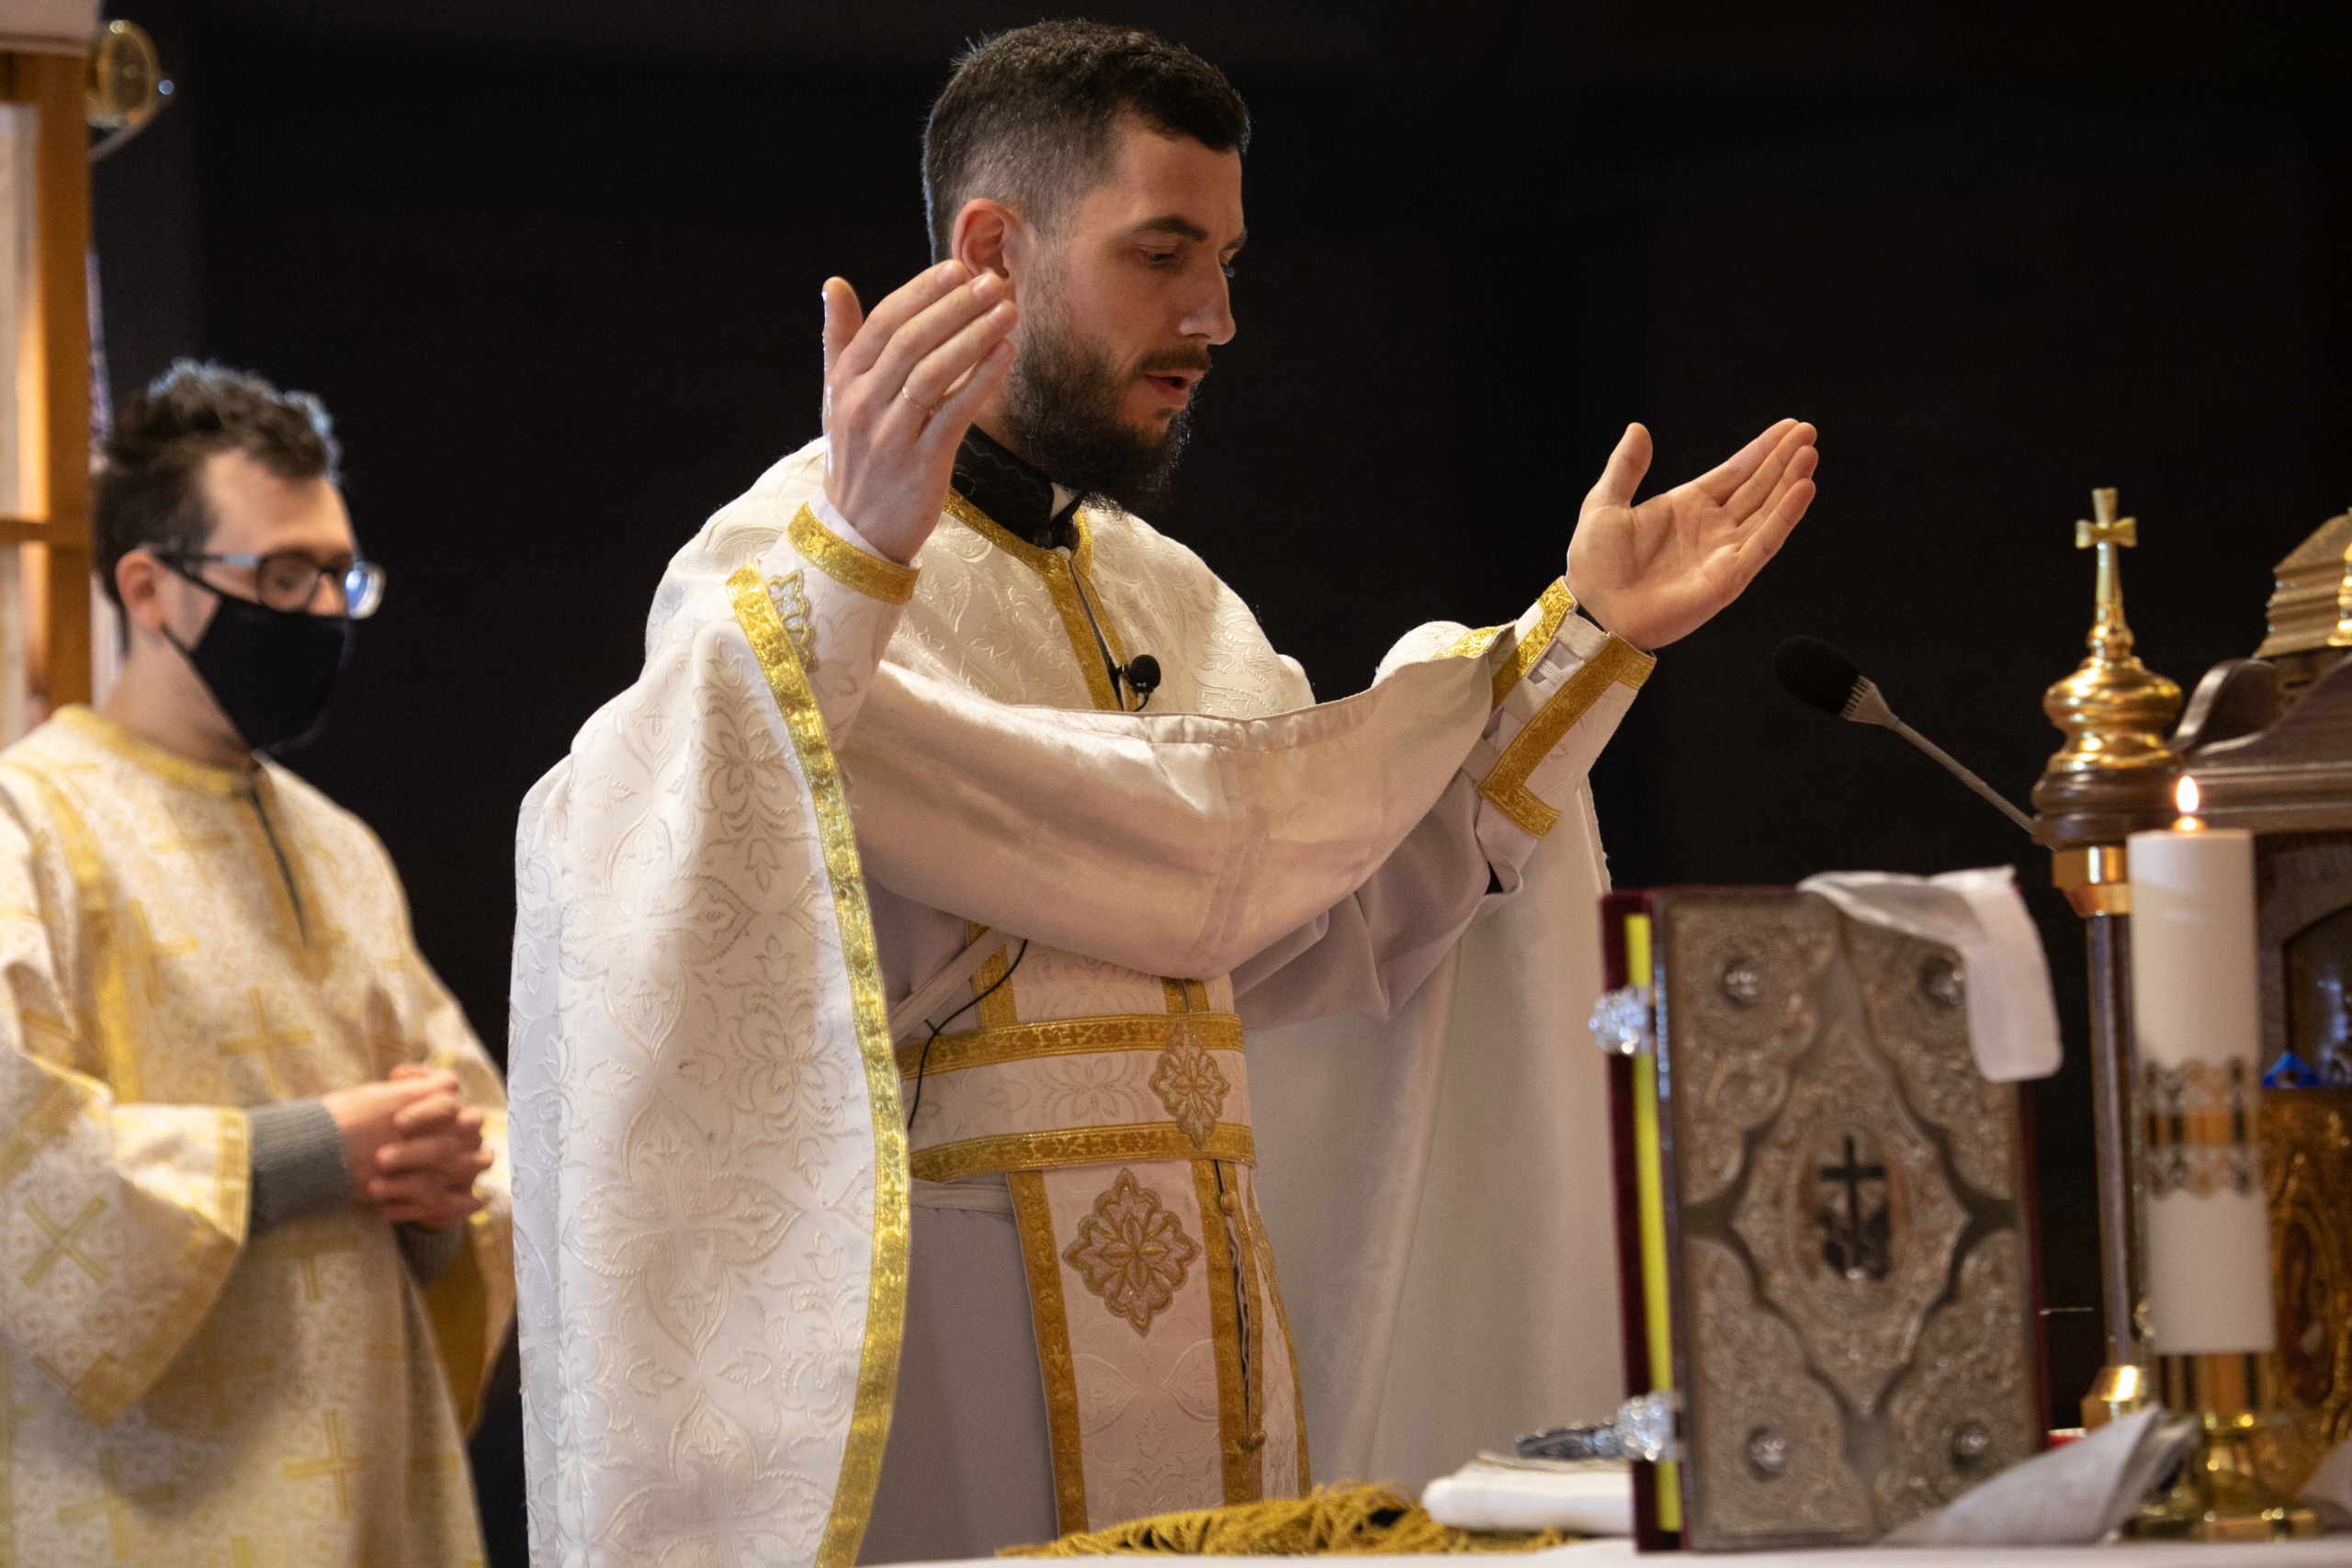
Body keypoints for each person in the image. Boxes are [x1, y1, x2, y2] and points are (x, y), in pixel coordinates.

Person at [512, 20, 1815, 1567]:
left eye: (1229, 262)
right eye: (1161, 254)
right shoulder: (782, 569)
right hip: (956, 1337)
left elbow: (1319, 914)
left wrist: (1588, 642)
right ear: (992, 250)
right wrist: (853, 567)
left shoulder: (1169, 596)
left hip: (1217, 1315)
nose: (1216, 316)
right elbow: (650, 853)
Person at [0, 362, 513, 1565]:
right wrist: (318, 1150)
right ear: (150, 589)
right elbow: (22, 1161)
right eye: (282, 575)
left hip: (374, 1473)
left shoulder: (341, 848)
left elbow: (468, 1138)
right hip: (150, 1507)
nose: (322, 610)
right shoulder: (29, 824)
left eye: (339, 576)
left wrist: (442, 1200)